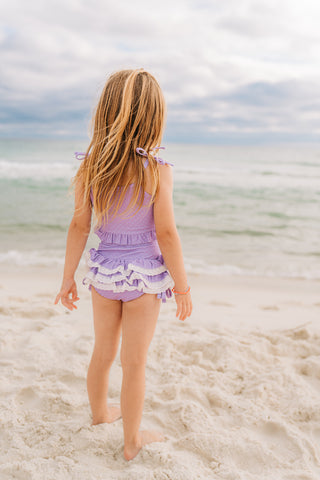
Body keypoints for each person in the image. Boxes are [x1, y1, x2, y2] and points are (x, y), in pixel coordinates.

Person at [54, 68, 192, 461]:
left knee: (103, 352)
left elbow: (79, 225)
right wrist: (182, 286)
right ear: (153, 119)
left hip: (104, 275)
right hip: (144, 279)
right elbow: (166, 234)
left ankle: (100, 415)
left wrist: (67, 278)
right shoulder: (157, 170)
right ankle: (131, 441)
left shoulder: (92, 167)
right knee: (135, 363)